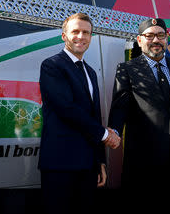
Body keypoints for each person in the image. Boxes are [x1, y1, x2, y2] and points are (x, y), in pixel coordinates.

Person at [108, 18, 170, 214]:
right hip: (143, 162)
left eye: (161, 35)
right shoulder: (128, 69)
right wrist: (114, 132)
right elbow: (120, 108)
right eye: (150, 35)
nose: (156, 40)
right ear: (139, 40)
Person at [38, 12, 120, 214]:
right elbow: (66, 108)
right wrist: (105, 134)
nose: (81, 37)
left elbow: (93, 116)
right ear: (64, 35)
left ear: (91, 37)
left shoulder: (91, 71)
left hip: (87, 165)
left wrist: (99, 161)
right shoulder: (52, 65)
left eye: (86, 32)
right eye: (75, 31)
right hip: (60, 164)